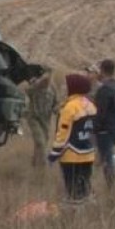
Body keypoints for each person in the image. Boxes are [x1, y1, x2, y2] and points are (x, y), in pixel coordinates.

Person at [49, 73, 97, 203]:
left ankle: (73, 214)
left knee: (72, 190)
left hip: (71, 155)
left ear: (73, 87)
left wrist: (54, 153)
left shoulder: (69, 107)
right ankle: (87, 210)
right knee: (85, 187)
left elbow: (63, 132)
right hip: (88, 154)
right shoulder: (90, 105)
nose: (63, 87)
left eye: (66, 85)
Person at [93, 59, 115, 191]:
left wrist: (94, 129)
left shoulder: (104, 90)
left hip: (104, 130)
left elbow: (100, 112)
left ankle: (109, 189)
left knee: (107, 160)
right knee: (104, 159)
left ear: (102, 71)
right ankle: (100, 186)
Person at [23, 69, 59, 168]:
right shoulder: (34, 85)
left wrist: (58, 109)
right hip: (34, 118)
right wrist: (37, 84)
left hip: (46, 120)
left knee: (42, 144)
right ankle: (44, 167)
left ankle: (35, 165)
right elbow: (26, 91)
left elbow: (55, 103)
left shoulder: (52, 88)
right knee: (40, 142)